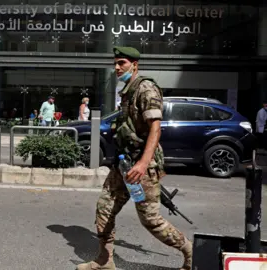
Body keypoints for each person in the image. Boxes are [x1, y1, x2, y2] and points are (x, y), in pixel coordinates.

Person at [76, 46, 192, 270]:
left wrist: (142, 163)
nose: (117, 67)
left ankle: (190, 251)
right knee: (104, 207)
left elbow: (155, 130)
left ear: (134, 65)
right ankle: (105, 260)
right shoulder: (127, 90)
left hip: (142, 166)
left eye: (122, 63)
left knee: (150, 220)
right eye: (116, 63)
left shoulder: (146, 88)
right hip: (124, 163)